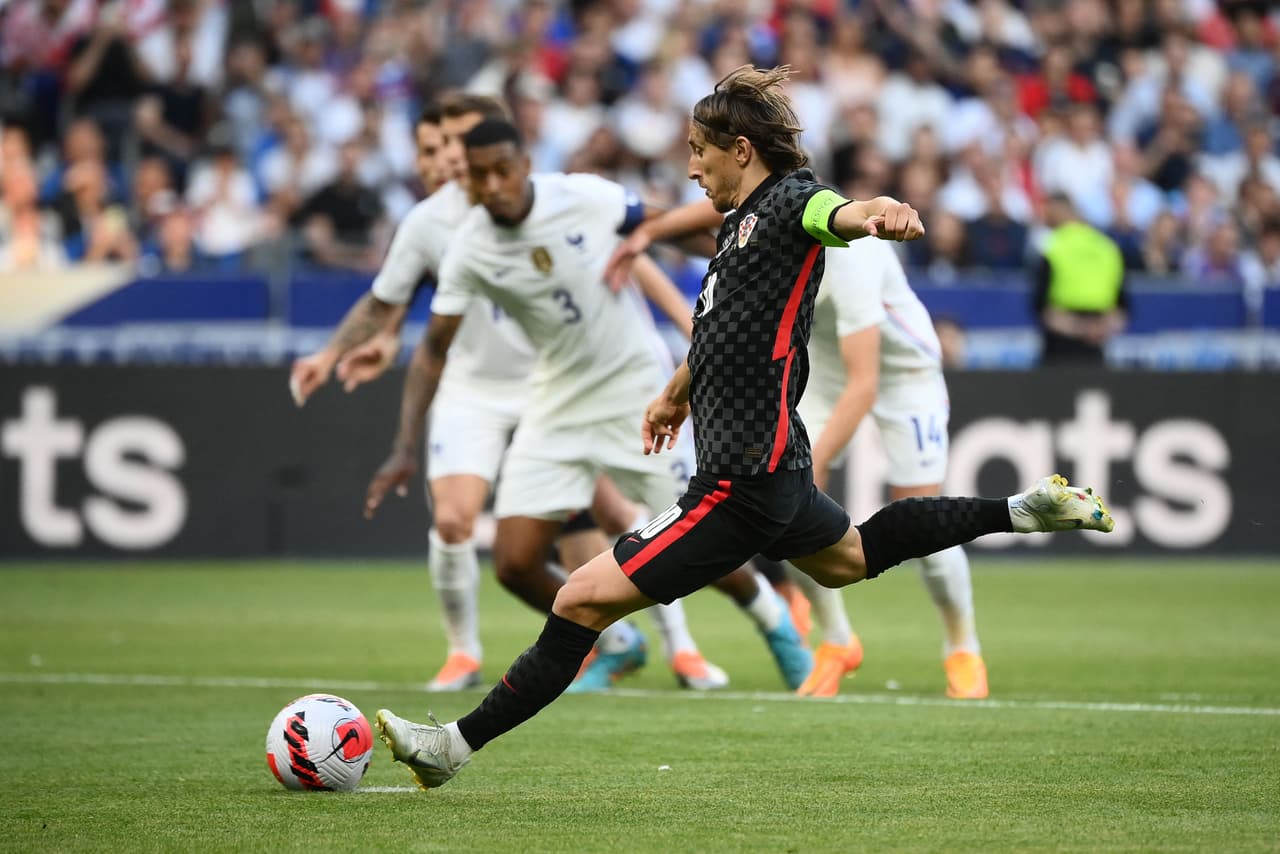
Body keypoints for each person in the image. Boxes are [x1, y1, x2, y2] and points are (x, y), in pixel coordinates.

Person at [373, 67, 1114, 791]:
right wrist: (676, 392)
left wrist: (881, 209)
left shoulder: (794, 201)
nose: (691, 167)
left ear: (740, 149)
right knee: (849, 557)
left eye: (699, 150)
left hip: (738, 483)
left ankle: (451, 746)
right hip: (777, 467)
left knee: (578, 602)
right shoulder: (740, 226)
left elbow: (841, 212)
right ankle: (1022, 510)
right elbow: (721, 329)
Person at [292, 95, 733, 693]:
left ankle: (682, 647)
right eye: (429, 150)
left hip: (550, 382)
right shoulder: (429, 226)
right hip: (474, 389)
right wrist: (333, 352)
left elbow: (631, 255)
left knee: (615, 516)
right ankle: (466, 653)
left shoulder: (556, 199)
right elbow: (388, 301)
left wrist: (692, 316)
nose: (442, 159)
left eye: (452, 145)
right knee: (455, 523)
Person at [612, 200, 991, 698]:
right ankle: (837, 640)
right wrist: (648, 234)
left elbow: (865, 385)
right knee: (781, 510)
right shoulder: (763, 237)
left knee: (918, 515)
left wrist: (804, 476)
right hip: (826, 368)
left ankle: (961, 646)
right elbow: (713, 214)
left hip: (902, 376)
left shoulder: (848, 258)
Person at [1034, 193, 1129, 366]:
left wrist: (1079, 329)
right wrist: (1096, 329)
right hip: (1095, 347)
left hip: (1059, 348)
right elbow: (1122, 310)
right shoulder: (1108, 248)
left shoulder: (1051, 245)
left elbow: (1040, 307)